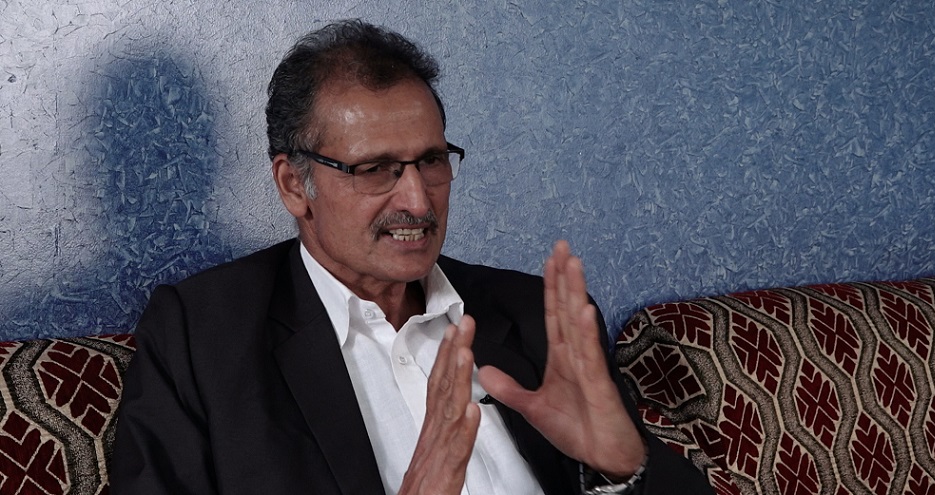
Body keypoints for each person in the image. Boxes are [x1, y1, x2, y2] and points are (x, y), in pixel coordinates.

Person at [111, 19, 713, 495]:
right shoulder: (202, 339)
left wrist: (623, 469)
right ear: (294, 186)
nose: (418, 201)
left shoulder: (539, 318)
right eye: (375, 169)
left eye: (431, 160)